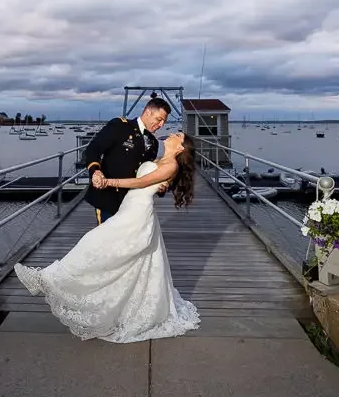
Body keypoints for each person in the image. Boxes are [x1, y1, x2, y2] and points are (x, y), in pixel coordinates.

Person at [14, 132, 200, 343]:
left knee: (94, 244)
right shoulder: (160, 161)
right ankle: (71, 286)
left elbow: (140, 183)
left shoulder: (171, 166)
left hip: (136, 215)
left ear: (181, 148)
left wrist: (108, 182)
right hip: (128, 209)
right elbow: (151, 182)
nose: (172, 134)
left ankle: (49, 278)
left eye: (178, 135)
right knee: (119, 258)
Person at [82, 97, 170, 225]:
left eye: (164, 121)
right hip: (109, 198)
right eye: (159, 119)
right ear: (148, 112)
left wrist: (159, 188)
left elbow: (146, 174)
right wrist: (95, 171)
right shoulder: (120, 126)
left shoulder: (154, 143)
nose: (161, 124)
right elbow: (93, 149)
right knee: (107, 241)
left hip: (134, 203)